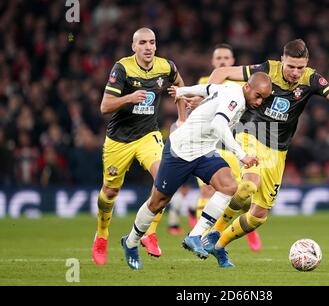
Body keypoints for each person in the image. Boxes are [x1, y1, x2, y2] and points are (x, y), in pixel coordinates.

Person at [200, 38, 329, 267]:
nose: (294, 72)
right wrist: (209, 103)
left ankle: (220, 245)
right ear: (282, 59)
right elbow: (221, 72)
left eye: (299, 67)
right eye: (290, 66)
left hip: (279, 149)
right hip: (252, 131)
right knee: (250, 184)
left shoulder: (311, 79)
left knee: (258, 215)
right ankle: (212, 234)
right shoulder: (266, 70)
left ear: (306, 64)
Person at [120, 72, 272, 270]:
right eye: (258, 96)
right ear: (247, 87)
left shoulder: (231, 89)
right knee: (158, 202)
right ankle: (130, 243)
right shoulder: (235, 96)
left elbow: (208, 88)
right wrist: (241, 155)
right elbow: (219, 124)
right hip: (180, 151)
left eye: (264, 98)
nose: (260, 101)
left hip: (204, 151)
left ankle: (194, 236)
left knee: (228, 186)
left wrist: (183, 91)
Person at [91, 27, 187, 265]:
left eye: (152, 42)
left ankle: (149, 232)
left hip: (148, 135)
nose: (148, 47)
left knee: (166, 180)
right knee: (110, 191)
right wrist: (128, 98)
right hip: (119, 139)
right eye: (142, 42)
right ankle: (102, 234)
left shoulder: (166, 66)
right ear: (133, 46)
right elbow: (105, 106)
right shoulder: (122, 68)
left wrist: (182, 118)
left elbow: (180, 86)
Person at [194, 43, 262, 252]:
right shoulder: (205, 83)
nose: (223, 61)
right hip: (210, 144)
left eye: (226, 58)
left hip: (235, 144)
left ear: (232, 62)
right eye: (219, 59)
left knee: (242, 195)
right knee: (207, 189)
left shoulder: (246, 85)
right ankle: (202, 237)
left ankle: (244, 229)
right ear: (213, 63)